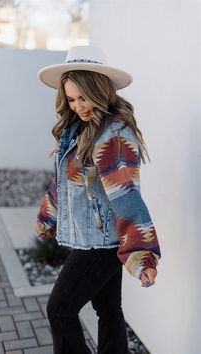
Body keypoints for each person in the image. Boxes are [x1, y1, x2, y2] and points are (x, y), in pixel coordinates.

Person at [36, 45, 161, 354]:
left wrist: (142, 253)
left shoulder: (113, 134)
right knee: (108, 310)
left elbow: (126, 195)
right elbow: (64, 182)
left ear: (100, 89)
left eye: (84, 97)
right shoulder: (79, 128)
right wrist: (47, 216)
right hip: (91, 237)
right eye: (71, 98)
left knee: (60, 310)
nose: (78, 106)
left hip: (102, 242)